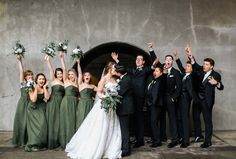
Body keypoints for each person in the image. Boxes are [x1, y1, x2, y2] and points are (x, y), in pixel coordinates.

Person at [65, 62, 122, 159]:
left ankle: (109, 147)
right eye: (113, 68)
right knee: (100, 127)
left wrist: (114, 97)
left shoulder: (114, 79)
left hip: (112, 107)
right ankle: (97, 147)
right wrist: (106, 99)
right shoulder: (103, 80)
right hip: (104, 105)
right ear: (109, 69)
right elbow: (99, 93)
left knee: (111, 127)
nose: (115, 70)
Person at [111, 50, 157, 148]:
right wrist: (116, 60)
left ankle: (140, 140)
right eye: (137, 59)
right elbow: (123, 69)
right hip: (131, 97)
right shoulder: (132, 70)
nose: (138, 60)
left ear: (143, 62)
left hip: (139, 98)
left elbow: (153, 66)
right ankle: (135, 138)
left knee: (139, 119)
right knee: (133, 119)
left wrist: (152, 52)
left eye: (140, 59)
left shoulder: (146, 69)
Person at [187, 47, 224, 148]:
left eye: (206, 64)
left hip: (207, 101)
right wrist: (190, 55)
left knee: (207, 121)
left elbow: (221, 86)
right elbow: (194, 64)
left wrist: (216, 83)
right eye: (204, 63)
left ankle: (208, 141)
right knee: (195, 117)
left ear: (211, 67)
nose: (204, 65)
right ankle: (199, 135)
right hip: (197, 100)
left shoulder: (215, 75)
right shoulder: (200, 70)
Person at [149, 44, 182, 148]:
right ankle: (160, 138)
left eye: (170, 59)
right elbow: (155, 60)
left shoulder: (175, 72)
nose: (168, 61)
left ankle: (175, 139)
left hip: (170, 99)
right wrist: (151, 50)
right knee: (160, 119)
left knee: (172, 119)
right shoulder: (161, 69)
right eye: (166, 59)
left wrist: (173, 97)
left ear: (172, 61)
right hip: (160, 99)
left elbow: (179, 87)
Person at [173, 49, 196, 148]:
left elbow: (191, 91)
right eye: (186, 66)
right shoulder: (184, 75)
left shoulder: (192, 76)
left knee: (185, 120)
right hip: (179, 100)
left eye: (188, 66)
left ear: (192, 68)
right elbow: (180, 67)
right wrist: (177, 57)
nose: (186, 67)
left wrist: (194, 99)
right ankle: (182, 137)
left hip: (185, 101)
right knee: (179, 119)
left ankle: (186, 141)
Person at [12, 55, 34, 147]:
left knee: (29, 123)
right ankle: (20, 141)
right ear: (25, 77)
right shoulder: (23, 84)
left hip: (30, 103)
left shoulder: (34, 84)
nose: (30, 76)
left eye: (31, 75)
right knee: (22, 121)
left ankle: (28, 140)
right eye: (28, 75)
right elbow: (21, 71)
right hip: (22, 103)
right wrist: (19, 60)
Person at [44, 55, 65, 149]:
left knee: (59, 122)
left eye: (61, 73)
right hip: (53, 102)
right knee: (53, 121)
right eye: (58, 73)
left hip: (61, 102)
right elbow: (51, 70)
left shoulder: (65, 82)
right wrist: (48, 61)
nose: (60, 75)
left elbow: (65, 69)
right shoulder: (53, 80)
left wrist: (62, 58)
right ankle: (51, 141)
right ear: (56, 75)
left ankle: (59, 140)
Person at [59, 52, 79, 149]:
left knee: (73, 121)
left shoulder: (77, 84)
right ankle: (65, 141)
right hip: (66, 102)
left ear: (75, 75)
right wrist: (62, 58)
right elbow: (64, 69)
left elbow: (80, 73)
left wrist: (78, 63)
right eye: (69, 74)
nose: (70, 75)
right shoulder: (66, 81)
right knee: (66, 121)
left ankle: (73, 141)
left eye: (72, 74)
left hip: (75, 103)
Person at [25, 73, 49, 152]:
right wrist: (35, 89)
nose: (42, 80)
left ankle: (40, 144)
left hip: (41, 108)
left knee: (43, 125)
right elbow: (33, 99)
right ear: (36, 80)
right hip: (33, 108)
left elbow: (47, 98)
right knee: (34, 128)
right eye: (40, 79)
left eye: (43, 79)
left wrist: (45, 88)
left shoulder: (44, 87)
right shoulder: (30, 87)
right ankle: (33, 145)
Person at [114, 64, 134, 157]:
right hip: (124, 108)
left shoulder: (126, 80)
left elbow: (120, 93)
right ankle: (125, 147)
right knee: (124, 129)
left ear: (119, 73)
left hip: (125, 108)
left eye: (115, 71)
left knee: (125, 130)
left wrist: (111, 91)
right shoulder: (124, 78)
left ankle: (126, 150)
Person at [76, 58, 97, 129]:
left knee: (90, 120)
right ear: (83, 77)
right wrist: (78, 63)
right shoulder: (81, 84)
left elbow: (100, 90)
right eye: (85, 75)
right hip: (82, 104)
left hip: (90, 104)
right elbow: (79, 73)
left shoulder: (92, 86)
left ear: (90, 77)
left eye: (88, 75)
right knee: (81, 119)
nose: (87, 76)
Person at [146, 65, 164, 148]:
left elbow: (155, 94)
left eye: (157, 71)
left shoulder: (159, 81)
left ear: (161, 73)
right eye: (154, 71)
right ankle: (155, 140)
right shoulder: (154, 80)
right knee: (152, 123)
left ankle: (157, 141)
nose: (154, 72)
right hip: (151, 105)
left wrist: (152, 103)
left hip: (155, 105)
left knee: (154, 123)